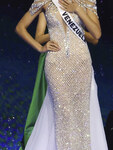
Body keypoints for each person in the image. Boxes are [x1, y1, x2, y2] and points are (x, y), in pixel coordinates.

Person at [15, 0, 108, 149]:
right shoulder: (45, 1)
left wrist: (78, 9)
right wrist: (40, 47)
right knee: (63, 111)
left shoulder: (86, 1)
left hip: (81, 63)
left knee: (80, 113)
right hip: (55, 64)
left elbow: (96, 34)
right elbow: (20, 27)